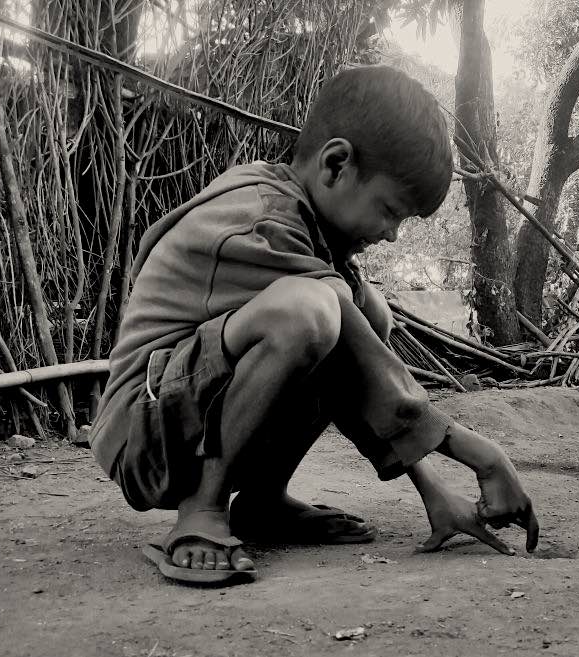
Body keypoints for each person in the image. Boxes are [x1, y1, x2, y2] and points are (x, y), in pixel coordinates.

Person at [90, 64, 540, 584]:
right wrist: (479, 454)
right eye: (390, 211)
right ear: (335, 165)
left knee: (367, 312)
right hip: (144, 434)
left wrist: (433, 489)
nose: (392, 235)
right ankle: (203, 510)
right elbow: (339, 337)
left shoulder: (309, 227)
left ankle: (261, 503)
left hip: (188, 413)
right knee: (313, 311)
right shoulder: (263, 220)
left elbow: (360, 363)